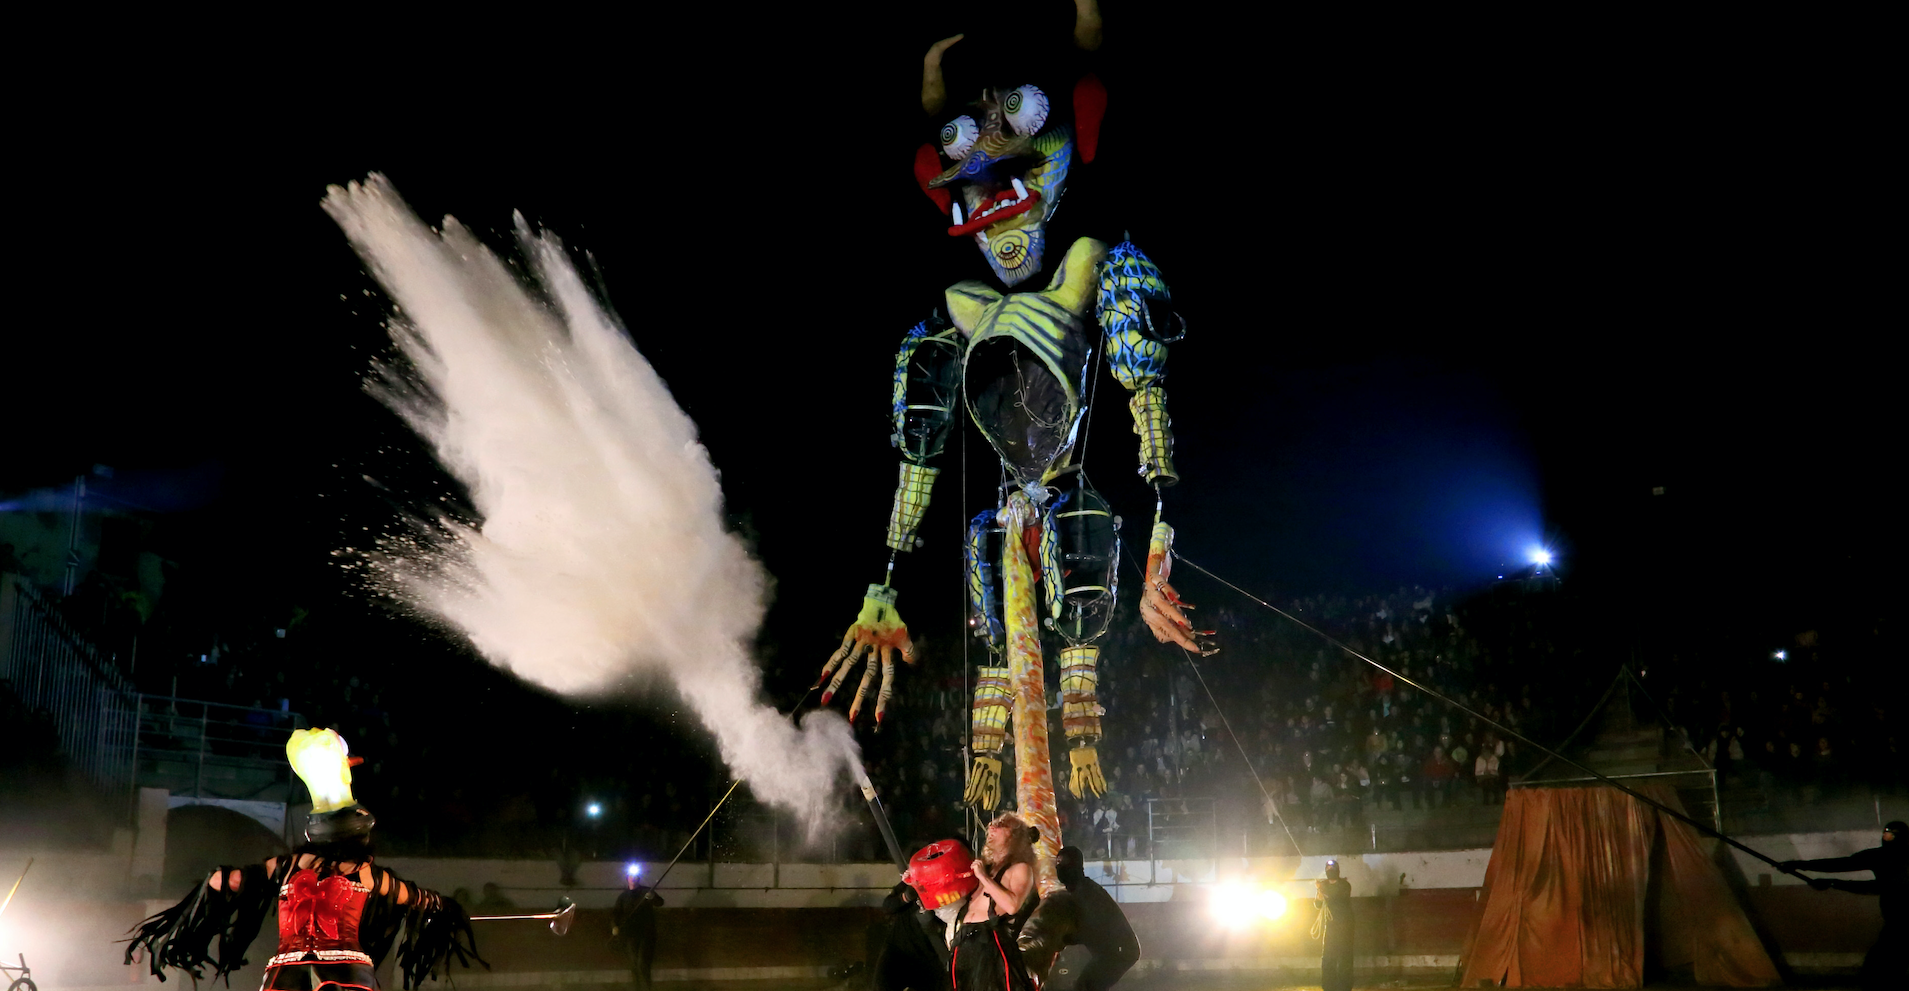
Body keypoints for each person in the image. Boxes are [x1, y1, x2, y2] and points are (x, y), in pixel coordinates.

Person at [124, 728, 481, 989]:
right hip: (346, 974)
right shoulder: (366, 874)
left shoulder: (287, 867)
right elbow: (418, 899)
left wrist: (214, 886)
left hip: (286, 974)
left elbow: (225, 881)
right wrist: (448, 909)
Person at [1782, 820, 1906, 989]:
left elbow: (1881, 886)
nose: (1886, 837)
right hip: (1895, 921)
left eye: (1890, 834)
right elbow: (1841, 864)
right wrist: (1799, 865)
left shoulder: (1896, 859)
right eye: (1885, 833)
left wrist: (1833, 882)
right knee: (1886, 965)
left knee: (1881, 964)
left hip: (1900, 921)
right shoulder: (1880, 856)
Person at [1018, 846, 1139, 990]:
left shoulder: (1085, 893)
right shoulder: (1076, 890)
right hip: (1110, 951)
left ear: (1077, 867)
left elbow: (1089, 927)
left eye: (1064, 864)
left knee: (1085, 986)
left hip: (1120, 951)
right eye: (1058, 865)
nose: (1060, 869)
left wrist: (1065, 939)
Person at [950, 813, 1041, 990]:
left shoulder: (1020, 868)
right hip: (964, 939)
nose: (990, 828)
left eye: (1000, 825)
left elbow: (1012, 906)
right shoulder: (986, 867)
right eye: (992, 824)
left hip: (991, 942)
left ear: (1014, 835)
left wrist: (983, 877)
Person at [612, 866, 665, 990]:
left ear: (638, 878)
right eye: (631, 876)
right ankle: (637, 988)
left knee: (643, 963)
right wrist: (614, 926)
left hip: (647, 934)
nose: (633, 879)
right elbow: (616, 913)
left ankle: (647, 988)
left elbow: (660, 902)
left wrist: (652, 897)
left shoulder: (646, 892)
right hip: (631, 934)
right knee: (634, 964)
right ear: (627, 878)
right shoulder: (623, 896)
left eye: (635, 876)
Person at [1312, 859, 1353, 991]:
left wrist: (1323, 891)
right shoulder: (1323, 885)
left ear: (1337, 870)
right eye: (1328, 869)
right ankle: (1328, 986)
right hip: (1329, 926)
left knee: (1344, 956)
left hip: (1345, 926)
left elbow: (1339, 899)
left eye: (1332, 869)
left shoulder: (1345, 885)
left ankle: (1344, 987)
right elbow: (1318, 905)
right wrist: (1319, 894)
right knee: (1328, 957)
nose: (1330, 871)